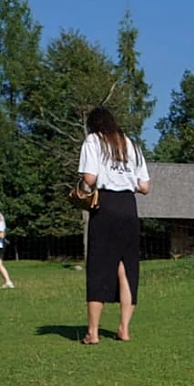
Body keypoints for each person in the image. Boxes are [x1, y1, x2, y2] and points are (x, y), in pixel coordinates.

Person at [78, 107, 150, 344]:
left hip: (106, 204)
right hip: (129, 206)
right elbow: (145, 187)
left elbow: (89, 178)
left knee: (99, 266)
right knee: (126, 268)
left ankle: (93, 332)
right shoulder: (131, 144)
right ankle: (124, 329)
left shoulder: (93, 141)